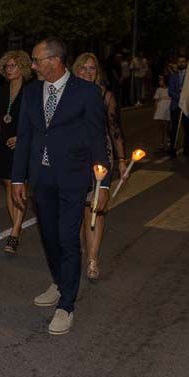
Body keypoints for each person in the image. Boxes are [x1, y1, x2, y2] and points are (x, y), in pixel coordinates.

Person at [11, 38, 107, 337]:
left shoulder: (87, 92)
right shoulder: (30, 93)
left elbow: (96, 137)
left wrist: (102, 183)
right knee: (49, 237)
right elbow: (24, 137)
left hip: (73, 177)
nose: (34, 65)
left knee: (67, 238)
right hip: (41, 178)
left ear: (54, 60)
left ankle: (66, 305)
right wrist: (17, 178)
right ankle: (60, 280)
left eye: (37, 60)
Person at [72, 53, 126, 281]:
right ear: (75, 71)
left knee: (94, 207)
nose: (87, 72)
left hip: (99, 157)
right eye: (82, 68)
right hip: (72, 157)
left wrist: (122, 160)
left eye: (92, 68)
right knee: (73, 208)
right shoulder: (66, 95)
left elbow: (115, 129)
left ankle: (92, 258)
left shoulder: (105, 96)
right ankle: (74, 253)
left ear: (98, 72)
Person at [0, 50, 32, 255]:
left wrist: (24, 137)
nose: (10, 69)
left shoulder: (33, 90)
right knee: (8, 185)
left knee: (19, 185)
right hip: (4, 143)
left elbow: (40, 121)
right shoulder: (1, 90)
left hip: (23, 143)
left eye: (14, 65)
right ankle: (17, 226)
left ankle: (14, 233)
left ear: (23, 67)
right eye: (7, 66)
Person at [167, 57, 189, 156]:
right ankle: (172, 149)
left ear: (186, 63)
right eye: (179, 62)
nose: (181, 63)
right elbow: (170, 92)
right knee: (174, 129)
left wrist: (185, 98)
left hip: (187, 106)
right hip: (176, 105)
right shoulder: (173, 76)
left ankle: (186, 150)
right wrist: (180, 97)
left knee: (188, 129)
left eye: (183, 62)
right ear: (177, 63)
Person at [152, 73, 172, 148]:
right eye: (159, 80)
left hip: (168, 108)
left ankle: (170, 138)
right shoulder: (159, 89)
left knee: (168, 126)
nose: (160, 81)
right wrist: (155, 110)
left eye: (161, 79)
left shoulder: (170, 89)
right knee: (162, 126)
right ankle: (162, 141)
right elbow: (156, 100)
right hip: (161, 108)